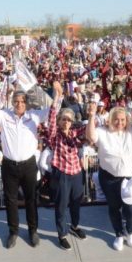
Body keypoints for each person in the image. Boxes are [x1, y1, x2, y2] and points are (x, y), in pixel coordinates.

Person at [0, 74, 49, 249]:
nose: (19, 104)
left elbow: (52, 111)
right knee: (11, 200)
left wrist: (58, 95)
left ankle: (33, 231)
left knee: (31, 199)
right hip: (9, 166)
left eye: (22, 101)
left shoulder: (34, 116)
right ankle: (13, 231)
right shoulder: (3, 116)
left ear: (26, 103)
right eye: (16, 101)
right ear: (12, 102)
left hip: (28, 165)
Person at [86, 94, 132, 251]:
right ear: (110, 120)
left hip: (128, 179)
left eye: (122, 120)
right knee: (114, 208)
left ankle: (130, 232)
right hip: (109, 178)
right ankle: (118, 234)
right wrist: (91, 116)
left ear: (127, 120)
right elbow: (91, 136)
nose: (119, 123)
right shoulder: (103, 131)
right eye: (116, 119)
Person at [45, 81, 88, 250]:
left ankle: (74, 227)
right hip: (62, 174)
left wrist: (92, 115)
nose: (66, 122)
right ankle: (62, 234)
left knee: (76, 203)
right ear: (59, 120)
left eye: (69, 120)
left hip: (77, 173)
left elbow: (88, 128)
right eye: (63, 119)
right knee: (61, 206)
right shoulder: (54, 136)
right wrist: (56, 99)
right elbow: (51, 122)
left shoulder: (75, 133)